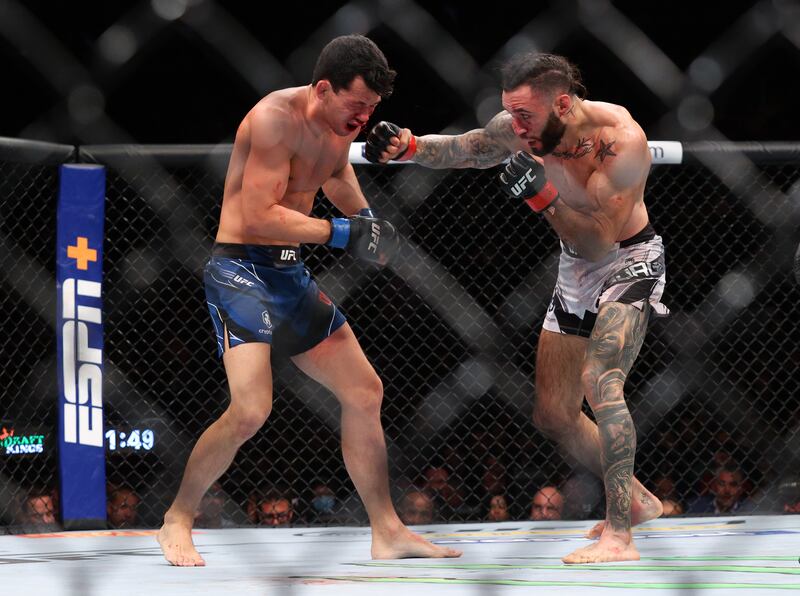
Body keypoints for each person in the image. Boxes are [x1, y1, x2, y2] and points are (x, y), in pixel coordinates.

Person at [157, 34, 461, 566]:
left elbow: (337, 171)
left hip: (289, 272)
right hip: (241, 269)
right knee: (251, 409)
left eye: (372, 109)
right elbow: (256, 215)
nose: (364, 119)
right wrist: (343, 234)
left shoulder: (338, 124)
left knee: (365, 391)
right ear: (323, 88)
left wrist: (366, 221)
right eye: (357, 104)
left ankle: (386, 530)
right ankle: (177, 518)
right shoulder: (275, 119)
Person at [364, 52, 667, 563]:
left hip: (628, 259)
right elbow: (468, 148)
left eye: (526, 116)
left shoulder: (620, 143)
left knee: (601, 382)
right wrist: (408, 146)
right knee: (554, 413)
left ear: (565, 104)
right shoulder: (520, 126)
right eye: (511, 113)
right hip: (575, 268)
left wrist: (542, 196)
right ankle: (637, 499)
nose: (516, 127)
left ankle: (620, 536)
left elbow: (600, 242)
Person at [686, 462, 752, 514]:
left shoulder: (751, 509)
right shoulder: (695, 507)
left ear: (740, 489)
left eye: (733, 485)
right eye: (722, 484)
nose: (727, 490)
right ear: (713, 486)